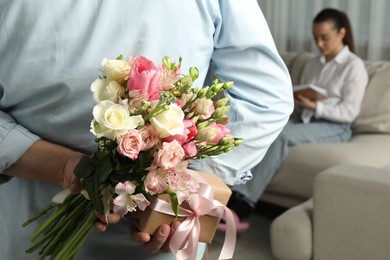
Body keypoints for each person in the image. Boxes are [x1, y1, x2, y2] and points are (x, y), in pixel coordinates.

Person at [0, 0, 293, 259]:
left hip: (154, 228)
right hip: (24, 209)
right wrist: (182, 186)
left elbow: (266, 98)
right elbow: (266, 99)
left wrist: (180, 187)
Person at [226, 8, 369, 229]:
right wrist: (299, 101)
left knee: (283, 136)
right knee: (261, 128)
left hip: (337, 126)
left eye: (325, 38)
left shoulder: (354, 66)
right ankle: (229, 190)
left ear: (341, 33)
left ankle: (243, 205)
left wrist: (316, 106)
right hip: (306, 119)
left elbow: (349, 112)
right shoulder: (313, 63)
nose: (319, 44)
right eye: (316, 38)